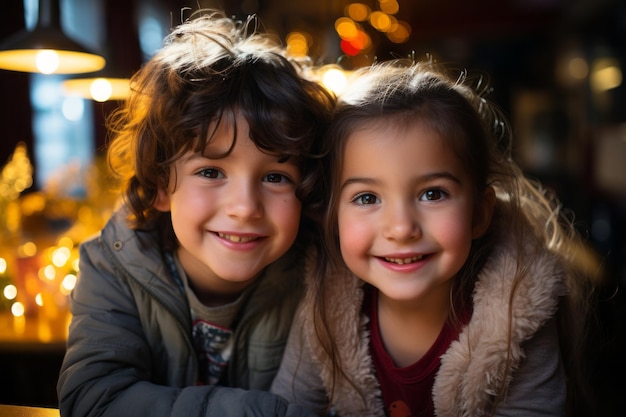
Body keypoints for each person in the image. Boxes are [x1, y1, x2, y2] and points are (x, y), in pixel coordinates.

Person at [271, 60, 598, 417]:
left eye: (432, 194)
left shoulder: (516, 312)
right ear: (333, 219)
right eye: (367, 198)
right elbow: (288, 409)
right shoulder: (323, 307)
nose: (401, 228)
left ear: (479, 213)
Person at [57, 9, 334, 417]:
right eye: (210, 171)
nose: (244, 207)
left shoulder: (319, 274)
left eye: (276, 176)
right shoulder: (111, 266)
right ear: (159, 186)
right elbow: (93, 400)